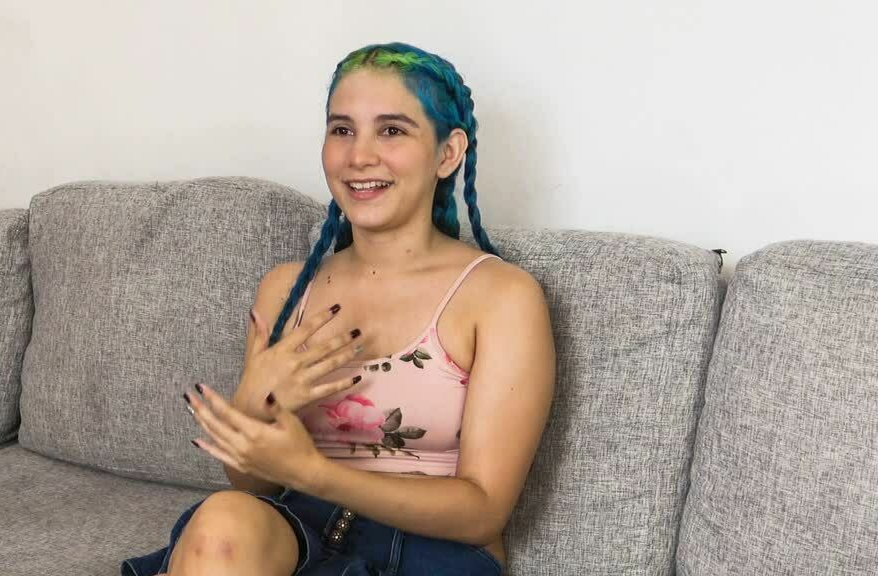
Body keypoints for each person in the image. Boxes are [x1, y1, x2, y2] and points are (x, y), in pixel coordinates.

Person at [122, 41, 556, 576]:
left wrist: (313, 472)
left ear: (448, 153)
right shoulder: (287, 290)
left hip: (430, 551)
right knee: (220, 525)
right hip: (296, 529)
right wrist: (253, 408)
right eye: (342, 129)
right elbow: (256, 485)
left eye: (391, 130)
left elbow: (483, 512)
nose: (359, 156)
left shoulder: (501, 296)